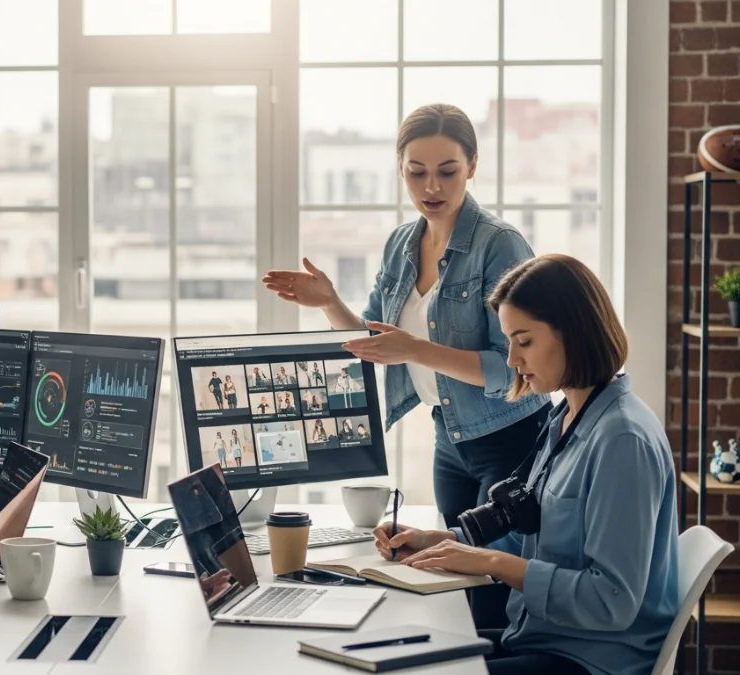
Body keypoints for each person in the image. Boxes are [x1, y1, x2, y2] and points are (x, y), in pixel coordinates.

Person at [373, 254, 677, 675]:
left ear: (574, 333)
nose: (512, 359)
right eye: (509, 341)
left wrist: (492, 563)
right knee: (389, 659)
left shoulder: (622, 440)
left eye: (525, 341)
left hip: (590, 659)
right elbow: (541, 541)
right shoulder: (567, 417)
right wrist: (441, 539)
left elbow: (611, 599)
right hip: (540, 638)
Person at [263, 103, 550, 529]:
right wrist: (328, 302)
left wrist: (416, 350)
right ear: (400, 168)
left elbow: (516, 372)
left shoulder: (500, 245)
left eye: (448, 171)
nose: (431, 186)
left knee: (491, 583)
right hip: (449, 439)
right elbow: (371, 341)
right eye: (417, 172)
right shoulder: (400, 244)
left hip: (511, 437)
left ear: (472, 166)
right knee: (451, 575)